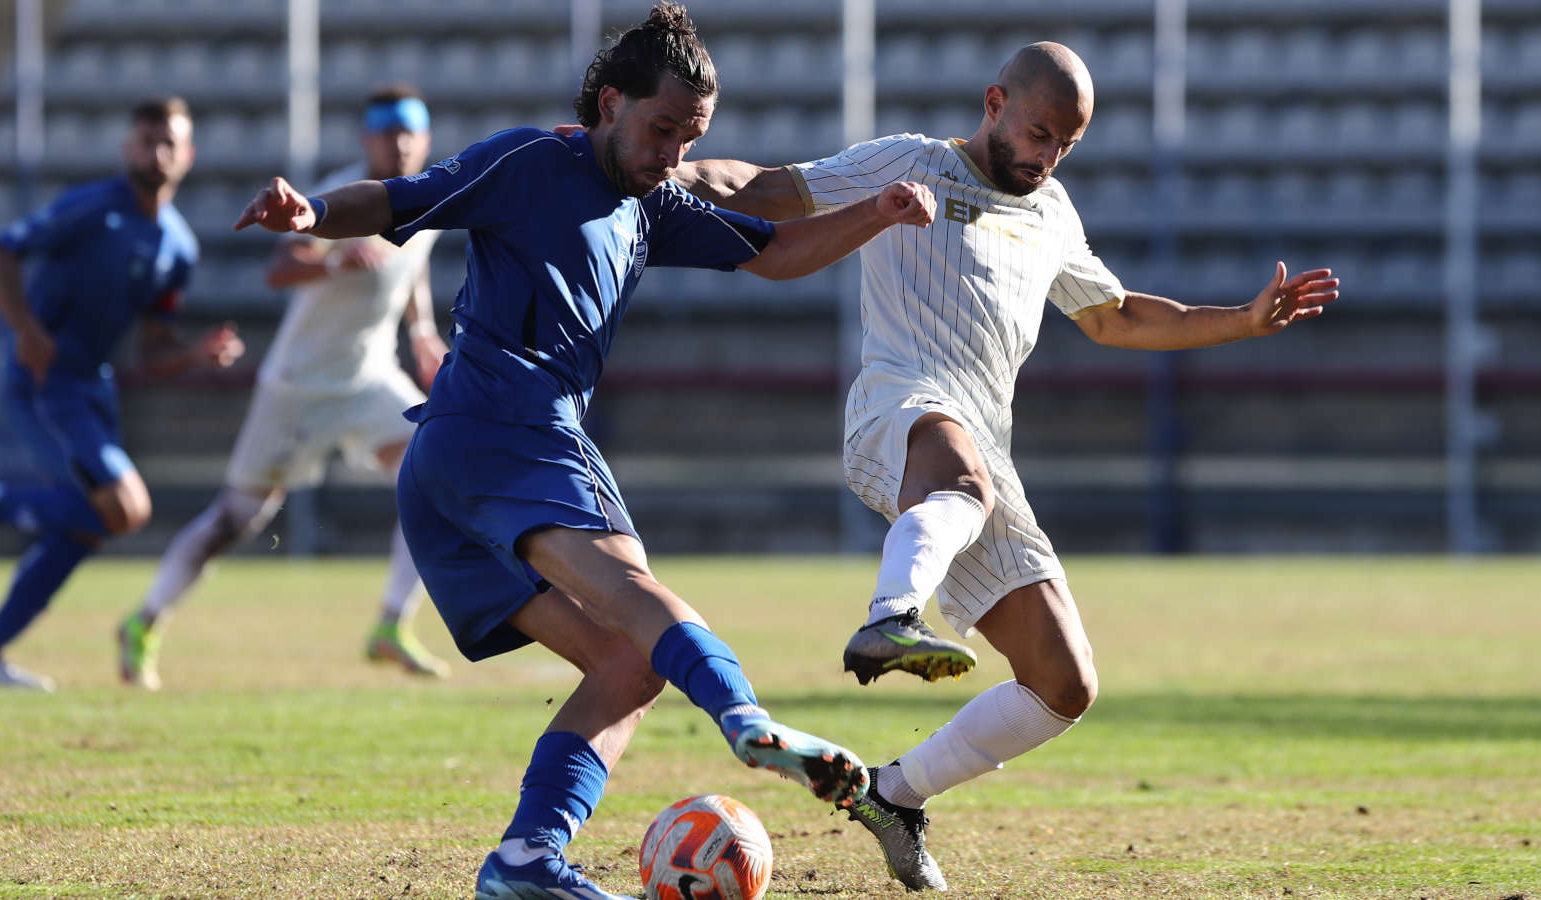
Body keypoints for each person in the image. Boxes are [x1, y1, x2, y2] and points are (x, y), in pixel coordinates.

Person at [232, 6, 934, 898]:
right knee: (636, 597)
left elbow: (778, 253)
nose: (673, 153)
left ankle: (526, 859)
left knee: (626, 662)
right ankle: (746, 719)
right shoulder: (529, 162)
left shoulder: (652, 205)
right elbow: (399, 200)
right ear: (610, 103)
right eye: (662, 128)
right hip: (509, 432)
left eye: (690, 138)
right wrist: (317, 211)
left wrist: (877, 212)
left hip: (450, 469)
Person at [675, 42, 1339, 891]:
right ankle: (890, 615)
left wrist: (1242, 320)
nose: (1048, 155)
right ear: (994, 104)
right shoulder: (910, 162)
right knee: (962, 480)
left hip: (983, 462)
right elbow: (763, 187)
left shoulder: (1051, 211)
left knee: (1064, 682)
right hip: (898, 409)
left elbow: (1115, 317)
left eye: (1066, 143)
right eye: (1038, 132)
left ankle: (894, 795)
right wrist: (655, 170)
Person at [116, 86, 453, 690]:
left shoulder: (426, 195)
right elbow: (279, 269)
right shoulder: (342, 195)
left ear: (425, 138)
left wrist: (422, 330)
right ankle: (143, 621)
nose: (400, 144)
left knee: (441, 477)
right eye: (388, 132)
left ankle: (391, 624)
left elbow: (414, 263)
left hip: (370, 377)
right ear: (367, 139)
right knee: (238, 519)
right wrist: (333, 262)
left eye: (410, 132)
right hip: (300, 386)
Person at [0, 97, 243, 691]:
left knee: (88, 525)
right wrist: (28, 331)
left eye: (168, 143)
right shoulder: (91, 207)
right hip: (46, 381)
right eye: (146, 140)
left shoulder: (178, 247)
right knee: (127, 509)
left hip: (94, 388)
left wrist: (195, 354)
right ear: (127, 147)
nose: (156, 152)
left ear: (188, 155)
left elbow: (153, 350)